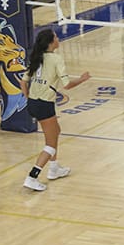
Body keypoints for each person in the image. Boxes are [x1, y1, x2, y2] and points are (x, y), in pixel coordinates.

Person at [21, 29, 90, 191]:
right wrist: (82, 79)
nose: (58, 39)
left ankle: (54, 168)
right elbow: (66, 85)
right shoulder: (56, 59)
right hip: (44, 105)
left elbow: (23, 83)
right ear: (51, 42)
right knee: (50, 145)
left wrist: (28, 98)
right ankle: (32, 177)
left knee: (56, 131)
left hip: (33, 103)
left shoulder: (37, 58)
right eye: (56, 37)